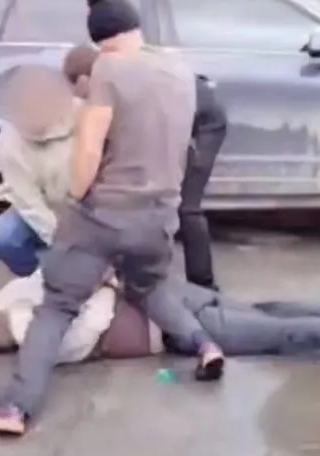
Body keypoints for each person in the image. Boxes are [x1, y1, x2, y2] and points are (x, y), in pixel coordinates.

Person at [0, 0, 219, 437]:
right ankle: (205, 345)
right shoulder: (178, 68)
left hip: (106, 216)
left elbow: (89, 151)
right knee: (149, 287)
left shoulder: (108, 70)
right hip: (159, 214)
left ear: (101, 41)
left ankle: (14, 409)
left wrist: (79, 196)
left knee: (56, 307)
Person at [0, 273, 320, 374]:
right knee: (274, 318)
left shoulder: (29, 305)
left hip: (172, 313)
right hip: (172, 311)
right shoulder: (48, 332)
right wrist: (103, 284)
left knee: (275, 324)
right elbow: (95, 320)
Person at [64, 45, 227, 291]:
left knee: (186, 207)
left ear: (87, 79)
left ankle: (204, 286)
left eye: (78, 89)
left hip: (203, 122)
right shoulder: (113, 82)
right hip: (175, 116)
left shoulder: (124, 84)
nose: (80, 97)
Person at [0, 66, 79, 276]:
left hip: (88, 210)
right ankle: (40, 274)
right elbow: (28, 203)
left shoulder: (84, 115)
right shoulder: (9, 142)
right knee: (3, 234)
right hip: (48, 211)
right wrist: (62, 243)